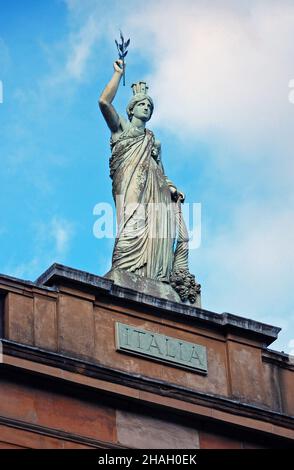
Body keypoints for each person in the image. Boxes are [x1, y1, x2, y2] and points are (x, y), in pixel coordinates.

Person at [99, 60, 185, 283]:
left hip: (155, 193)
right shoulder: (122, 130)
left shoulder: (153, 141)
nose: (146, 107)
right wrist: (118, 74)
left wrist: (172, 188)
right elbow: (104, 102)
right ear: (131, 109)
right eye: (142, 104)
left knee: (157, 231)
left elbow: (160, 171)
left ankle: (155, 278)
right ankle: (125, 270)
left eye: (149, 105)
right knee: (131, 225)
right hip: (130, 188)